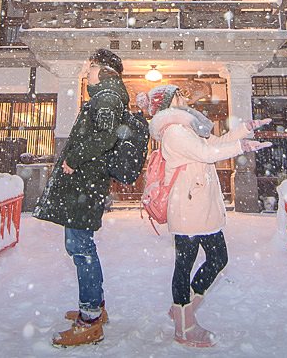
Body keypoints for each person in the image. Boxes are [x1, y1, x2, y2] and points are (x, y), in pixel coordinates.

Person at [137, 85, 272, 348]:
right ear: (167, 103)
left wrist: (245, 128)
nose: (183, 98)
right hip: (187, 207)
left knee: (218, 258)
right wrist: (241, 147)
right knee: (184, 264)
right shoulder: (173, 131)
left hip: (200, 205)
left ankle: (183, 308)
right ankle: (184, 325)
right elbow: (206, 153)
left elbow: (215, 143)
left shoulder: (185, 128)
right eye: (177, 95)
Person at [33, 48, 128, 347]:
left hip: (84, 184)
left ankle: (89, 318)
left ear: (104, 70)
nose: (87, 72)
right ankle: (95, 307)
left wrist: (73, 159)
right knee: (80, 245)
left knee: (80, 246)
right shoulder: (104, 95)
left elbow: (104, 135)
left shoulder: (107, 96)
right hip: (85, 184)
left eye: (91, 67)